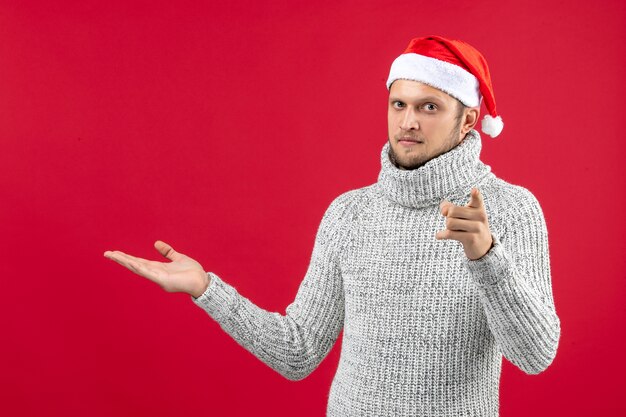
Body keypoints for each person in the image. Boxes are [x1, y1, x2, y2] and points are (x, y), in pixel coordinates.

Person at [104, 35, 560, 416]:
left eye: (429, 107)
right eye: (398, 103)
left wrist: (487, 258)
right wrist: (207, 289)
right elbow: (297, 351)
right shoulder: (349, 213)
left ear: (468, 122)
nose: (407, 121)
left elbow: (535, 356)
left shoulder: (512, 210)